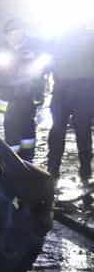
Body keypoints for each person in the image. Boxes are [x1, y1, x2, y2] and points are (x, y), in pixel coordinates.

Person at [0, 18, 49, 163]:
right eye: (12, 33)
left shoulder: (33, 48)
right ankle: (13, 160)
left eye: (18, 32)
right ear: (7, 35)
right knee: (11, 128)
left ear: (23, 32)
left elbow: (42, 69)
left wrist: (38, 92)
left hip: (27, 95)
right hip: (7, 97)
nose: (15, 36)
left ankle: (27, 159)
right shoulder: (1, 50)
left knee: (27, 127)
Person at [46, 27, 94, 186]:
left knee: (79, 131)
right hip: (66, 90)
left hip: (81, 90)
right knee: (72, 130)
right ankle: (57, 169)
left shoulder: (86, 37)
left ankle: (82, 170)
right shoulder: (59, 38)